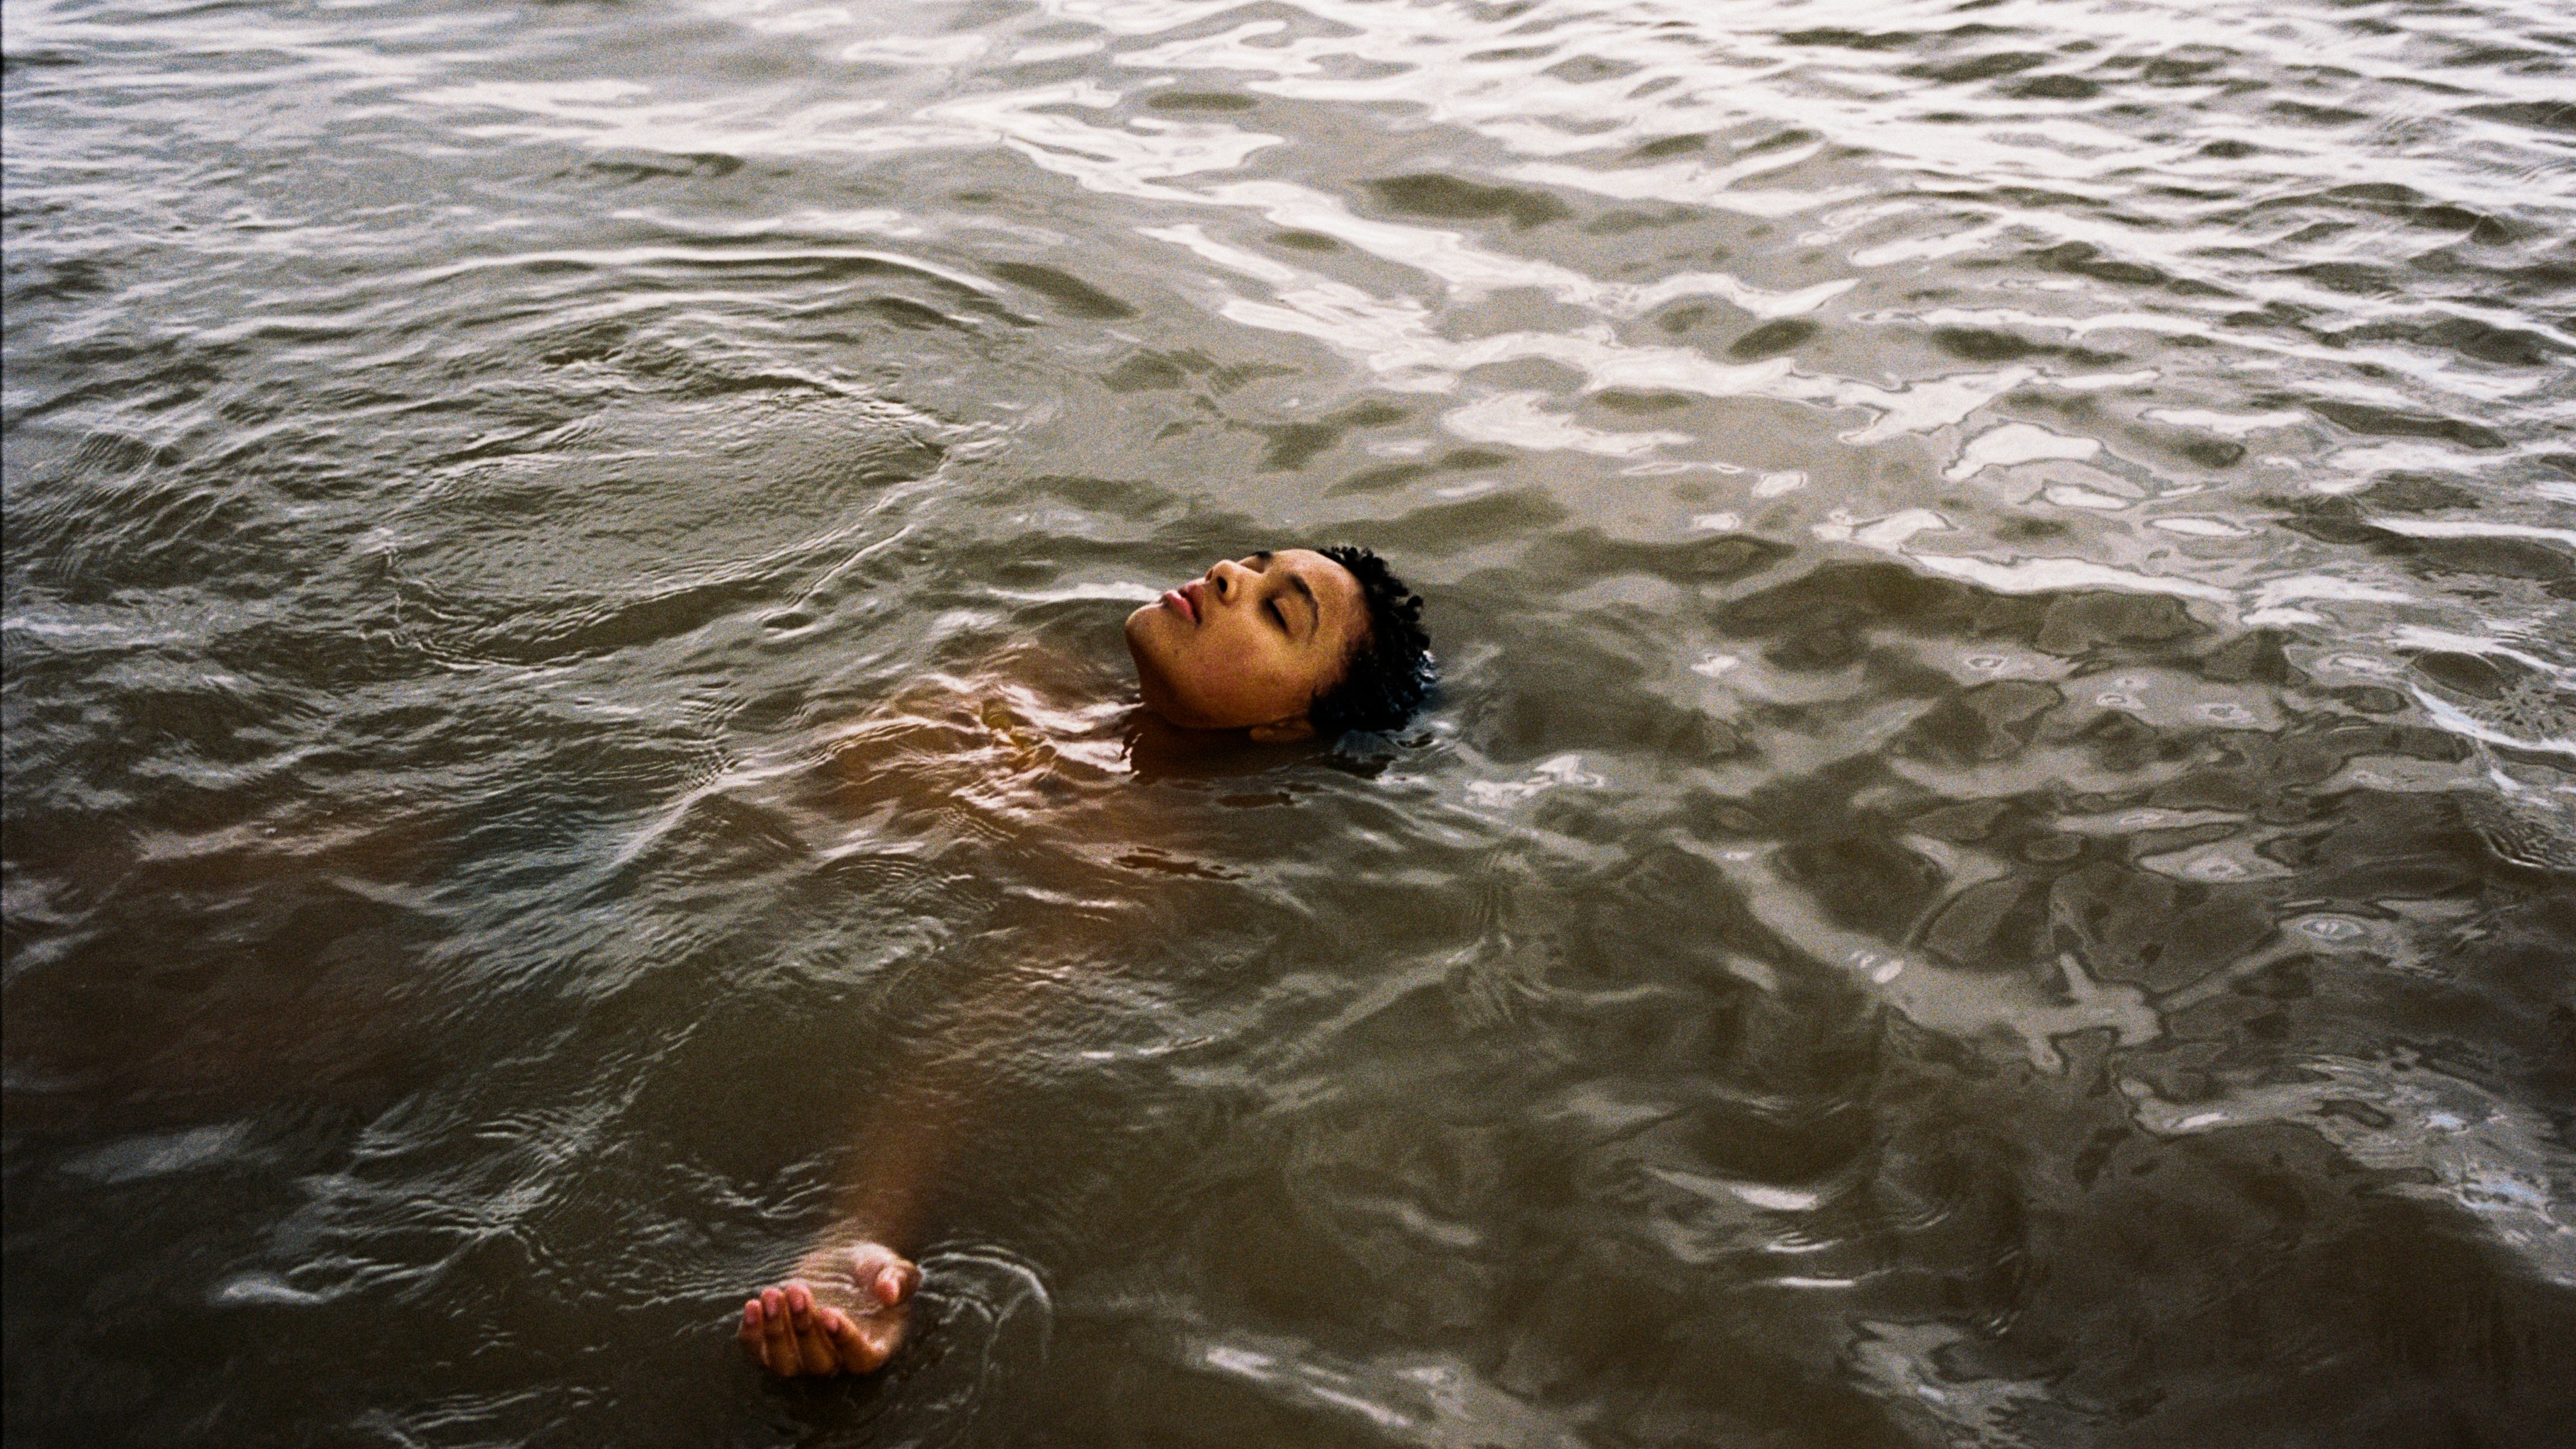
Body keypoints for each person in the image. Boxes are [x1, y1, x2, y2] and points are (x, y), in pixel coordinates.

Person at [735, 546, 1432, 1378]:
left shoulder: (1141, 863)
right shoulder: (1033, 673)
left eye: (1278, 611)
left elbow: (973, 1038)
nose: (1225, 575)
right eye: (1251, 561)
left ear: (1288, 725)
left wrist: (857, 1230)